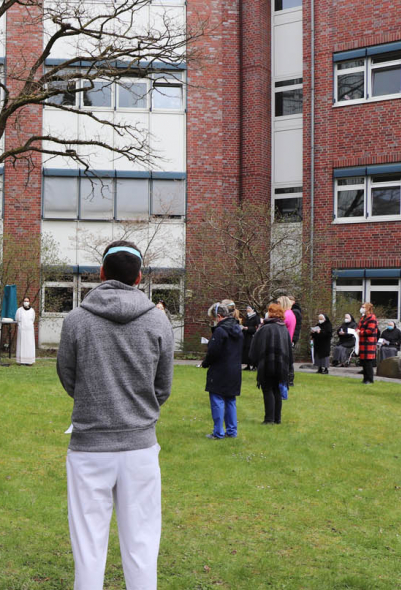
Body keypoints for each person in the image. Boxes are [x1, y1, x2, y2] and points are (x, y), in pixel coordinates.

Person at [56, 240, 174, 590]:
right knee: (141, 543)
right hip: (138, 449)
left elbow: (68, 375)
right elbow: (163, 386)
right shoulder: (158, 321)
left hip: (90, 449)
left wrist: (95, 400)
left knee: (88, 546)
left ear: (102, 273)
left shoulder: (76, 320)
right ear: (139, 276)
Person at [201, 302, 242, 439]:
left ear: (219, 316)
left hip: (220, 370)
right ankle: (232, 431)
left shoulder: (220, 331)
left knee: (217, 399)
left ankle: (218, 432)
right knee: (230, 400)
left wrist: (205, 363)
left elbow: (213, 352)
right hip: (234, 370)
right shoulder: (238, 329)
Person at [249, 303, 293, 425]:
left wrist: (254, 360)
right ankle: (277, 418)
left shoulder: (265, 328)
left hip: (267, 364)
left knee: (267, 389)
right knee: (276, 390)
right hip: (281, 365)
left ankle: (269, 419)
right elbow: (288, 349)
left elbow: (255, 346)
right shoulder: (283, 328)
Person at [356, 302, 379, 384]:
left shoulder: (372, 318)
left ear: (368, 309)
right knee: (363, 361)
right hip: (362, 342)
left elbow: (370, 330)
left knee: (368, 362)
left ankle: (370, 379)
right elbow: (358, 327)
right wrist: (356, 331)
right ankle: (365, 378)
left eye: (363, 307)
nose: (361, 308)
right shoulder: (363, 318)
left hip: (369, 342)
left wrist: (360, 332)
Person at [276, 296, 296, 386]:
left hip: (283, 341)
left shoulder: (286, 315)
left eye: (278, 303)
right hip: (287, 340)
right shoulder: (290, 313)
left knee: (284, 362)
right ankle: (289, 378)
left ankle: (288, 379)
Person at [15, 296, 36, 365]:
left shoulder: (32, 311)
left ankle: (29, 361)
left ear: (29, 302)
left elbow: (33, 319)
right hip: (22, 330)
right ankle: (21, 361)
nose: (26, 302)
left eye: (27, 301)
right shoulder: (19, 310)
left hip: (29, 331)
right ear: (23, 302)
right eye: (25, 301)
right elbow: (17, 319)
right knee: (21, 345)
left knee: (29, 345)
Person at [241, 305, 261, 371]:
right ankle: (248, 365)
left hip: (253, 336)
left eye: (249, 308)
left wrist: (249, 328)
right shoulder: (247, 317)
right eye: (247, 308)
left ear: (252, 309)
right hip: (246, 336)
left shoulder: (256, 317)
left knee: (252, 350)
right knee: (246, 351)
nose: (247, 309)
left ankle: (254, 365)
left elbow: (257, 328)